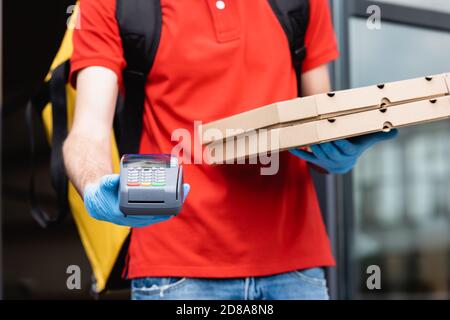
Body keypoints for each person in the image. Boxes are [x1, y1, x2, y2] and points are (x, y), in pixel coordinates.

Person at [63, 0, 397, 300]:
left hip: (296, 266)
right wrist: (95, 183)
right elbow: (88, 132)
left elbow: (319, 120)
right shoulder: (110, 3)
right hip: (175, 272)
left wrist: (339, 152)